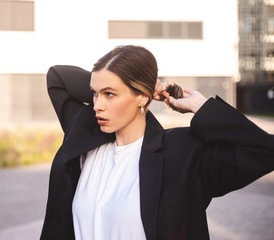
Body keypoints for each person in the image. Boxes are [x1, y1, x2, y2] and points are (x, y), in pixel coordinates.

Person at [40, 45, 274, 240]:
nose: (98, 105)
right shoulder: (87, 136)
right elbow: (57, 77)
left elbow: (264, 151)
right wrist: (111, 84)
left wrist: (200, 107)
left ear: (142, 96)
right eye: (94, 93)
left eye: (109, 94)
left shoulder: (181, 153)